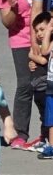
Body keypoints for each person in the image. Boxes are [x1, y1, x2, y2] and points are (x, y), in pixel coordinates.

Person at [0, 0, 42, 149]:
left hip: (44, 38)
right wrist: (13, 8)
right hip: (20, 41)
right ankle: (20, 134)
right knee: (25, 85)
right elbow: (7, 22)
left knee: (44, 84)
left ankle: (46, 131)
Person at [30, 13, 52, 157]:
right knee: (50, 118)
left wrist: (31, 55)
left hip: (48, 82)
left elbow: (44, 53)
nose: (39, 34)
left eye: (42, 29)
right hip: (50, 83)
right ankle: (50, 144)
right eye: (37, 31)